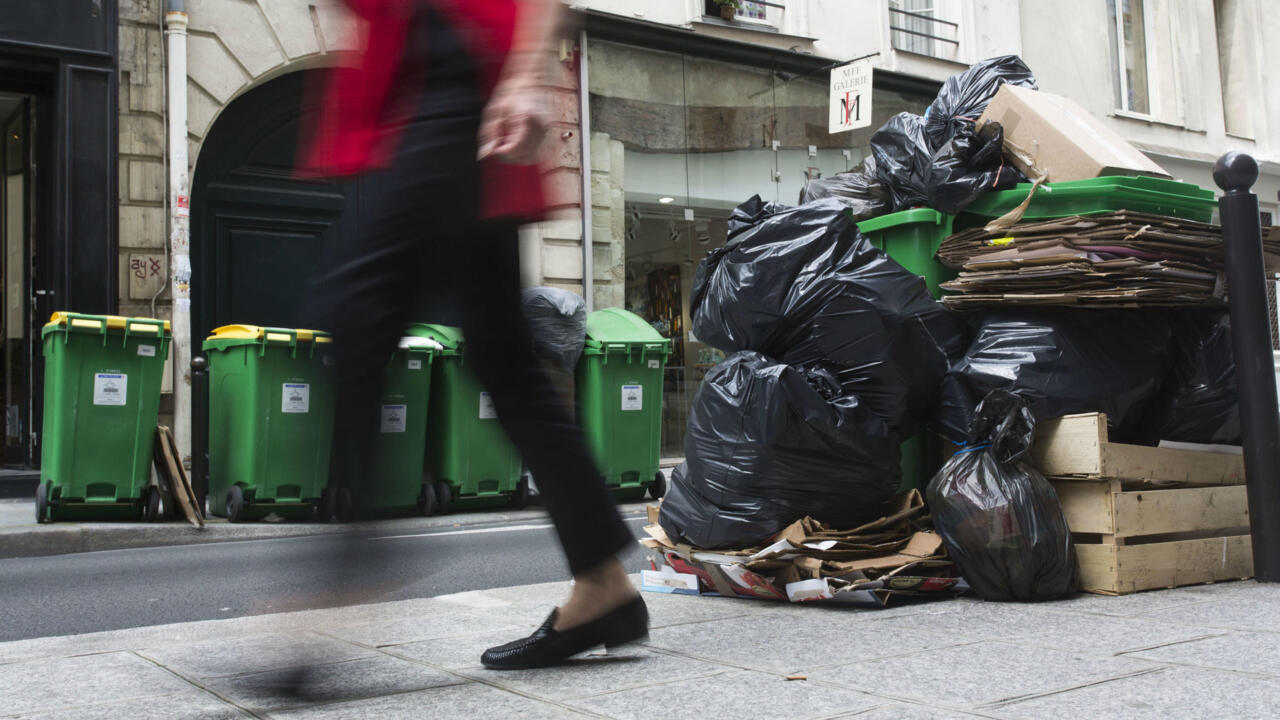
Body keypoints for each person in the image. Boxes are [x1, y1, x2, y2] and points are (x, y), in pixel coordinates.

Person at [300, 0, 646, 669]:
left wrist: (523, 76)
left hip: (451, 78)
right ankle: (603, 581)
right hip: (428, 84)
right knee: (503, 358)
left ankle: (335, 592)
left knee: (357, 313)